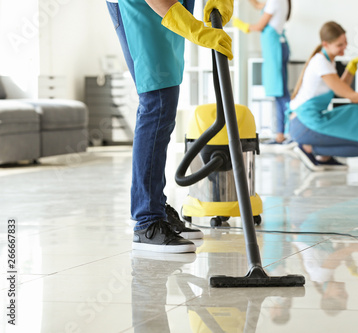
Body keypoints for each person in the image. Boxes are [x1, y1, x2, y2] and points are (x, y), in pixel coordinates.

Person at [106, 0, 234, 253]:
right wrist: (197, 30)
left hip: (173, 4)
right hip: (139, 6)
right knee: (157, 100)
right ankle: (148, 221)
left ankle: (155, 206)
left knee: (167, 94)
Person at [288, 21, 358, 171]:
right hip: (304, 125)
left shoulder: (327, 60)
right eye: (339, 45)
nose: (344, 48)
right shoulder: (320, 63)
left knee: (357, 112)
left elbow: (339, 87)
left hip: (310, 120)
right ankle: (310, 149)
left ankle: (324, 157)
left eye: (345, 43)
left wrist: (351, 68)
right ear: (326, 44)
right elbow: (352, 96)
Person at [232, 0, 292, 145]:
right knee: (279, 93)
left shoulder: (275, 1)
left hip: (275, 48)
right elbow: (260, 6)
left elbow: (259, 26)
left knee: (280, 93)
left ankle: (290, 132)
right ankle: (280, 135)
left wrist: (241, 25)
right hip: (278, 46)